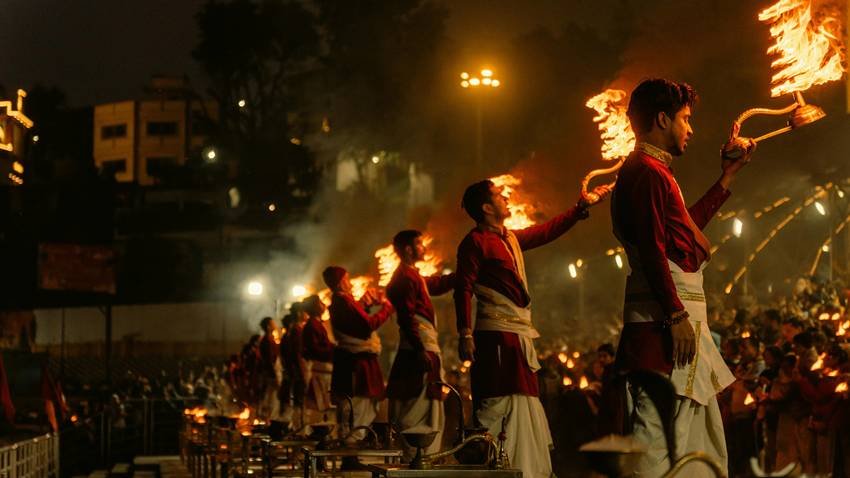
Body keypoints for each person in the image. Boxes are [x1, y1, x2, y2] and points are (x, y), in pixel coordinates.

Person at [610, 78, 756, 477]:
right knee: (654, 450)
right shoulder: (647, 172)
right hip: (664, 333)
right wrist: (675, 316)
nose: (691, 128)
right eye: (686, 119)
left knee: (694, 448)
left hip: (675, 329)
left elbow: (681, 235)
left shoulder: (653, 170)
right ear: (662, 119)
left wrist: (727, 177)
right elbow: (654, 249)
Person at [453, 178, 610, 477]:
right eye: (499, 195)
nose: (506, 197)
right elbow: (462, 288)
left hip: (518, 336)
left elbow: (545, 232)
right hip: (495, 336)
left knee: (524, 400)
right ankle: (500, 468)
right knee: (500, 402)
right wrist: (465, 332)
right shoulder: (474, 242)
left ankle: (528, 469)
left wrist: (579, 209)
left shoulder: (508, 238)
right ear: (487, 207)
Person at [385, 230, 456, 460]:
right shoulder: (405, 277)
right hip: (419, 350)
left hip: (421, 348)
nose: (424, 248)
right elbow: (407, 317)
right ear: (408, 249)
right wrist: (419, 349)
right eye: (419, 244)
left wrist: (464, 274)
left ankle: (422, 458)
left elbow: (436, 284)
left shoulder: (412, 275)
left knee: (425, 404)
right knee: (419, 406)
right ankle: (417, 459)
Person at [324, 266, 394, 441]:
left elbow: (356, 320)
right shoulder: (344, 301)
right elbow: (367, 325)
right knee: (359, 404)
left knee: (357, 405)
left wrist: (364, 304)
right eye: (347, 279)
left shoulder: (342, 302)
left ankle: (352, 444)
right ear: (340, 283)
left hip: (352, 359)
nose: (349, 282)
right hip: (357, 362)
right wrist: (387, 307)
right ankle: (351, 446)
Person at [301, 295, 335, 413]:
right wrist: (334, 350)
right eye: (320, 302)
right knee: (322, 408)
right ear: (315, 307)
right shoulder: (312, 325)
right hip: (321, 372)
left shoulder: (318, 324)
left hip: (325, 371)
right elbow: (315, 349)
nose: (323, 304)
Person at [257, 316, 283, 420]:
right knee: (272, 400)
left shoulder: (269, 339)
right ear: (268, 326)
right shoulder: (266, 341)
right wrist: (274, 375)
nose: (275, 325)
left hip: (272, 373)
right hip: (271, 374)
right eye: (273, 323)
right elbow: (270, 360)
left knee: (272, 399)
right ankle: (271, 421)